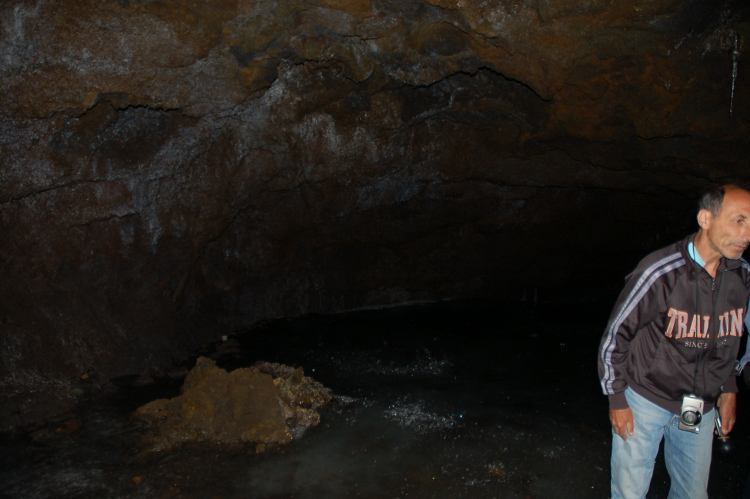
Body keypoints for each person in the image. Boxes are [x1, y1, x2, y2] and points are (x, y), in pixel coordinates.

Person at [597, 185, 750, 499]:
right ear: (705, 219)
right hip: (646, 400)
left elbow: (732, 337)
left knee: (692, 494)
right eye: (739, 221)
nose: (747, 234)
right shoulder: (659, 272)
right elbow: (615, 337)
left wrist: (729, 387)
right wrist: (617, 400)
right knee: (629, 492)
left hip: (700, 407)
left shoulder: (742, 275)